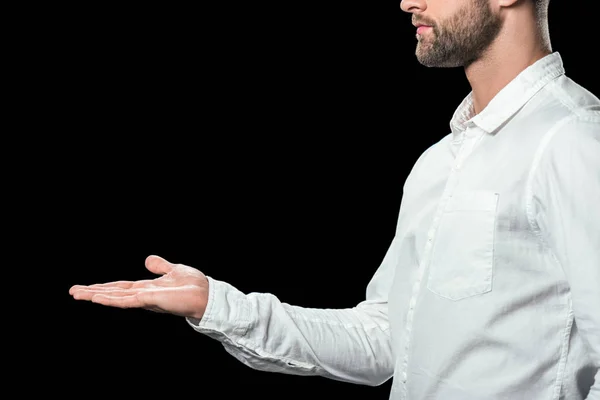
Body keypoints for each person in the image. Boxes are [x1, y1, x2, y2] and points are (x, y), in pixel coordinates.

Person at [69, 0, 600, 398]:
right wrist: (220, 306)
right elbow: (383, 341)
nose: (406, 2)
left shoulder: (573, 142)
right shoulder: (440, 163)